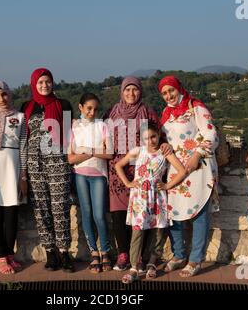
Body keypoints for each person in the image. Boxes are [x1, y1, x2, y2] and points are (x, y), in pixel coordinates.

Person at [103, 76, 171, 271]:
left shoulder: (148, 113)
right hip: (118, 169)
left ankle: (139, 256)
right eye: (127, 90)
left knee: (144, 214)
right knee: (119, 213)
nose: (131, 94)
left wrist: (165, 144)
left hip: (143, 171)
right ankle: (124, 254)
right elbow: (103, 136)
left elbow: (160, 135)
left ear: (141, 91)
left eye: (135, 90)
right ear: (121, 92)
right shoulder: (112, 113)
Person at [159, 75, 219, 277]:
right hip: (175, 170)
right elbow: (162, 138)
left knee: (199, 213)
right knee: (173, 213)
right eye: (164, 93)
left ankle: (195, 259)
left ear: (179, 88)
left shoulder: (196, 107)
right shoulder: (166, 113)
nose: (168, 95)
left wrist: (197, 154)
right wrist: (164, 144)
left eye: (171, 90)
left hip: (198, 167)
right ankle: (178, 255)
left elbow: (211, 134)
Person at [115, 122, 186, 283]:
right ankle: (134, 268)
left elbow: (182, 171)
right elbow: (118, 165)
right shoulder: (137, 151)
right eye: (146, 138)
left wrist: (167, 185)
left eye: (153, 136)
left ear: (158, 134)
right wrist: (128, 182)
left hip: (157, 197)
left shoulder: (164, 152)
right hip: (139, 199)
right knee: (137, 232)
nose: (151, 141)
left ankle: (152, 262)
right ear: (142, 139)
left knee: (158, 231)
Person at [21, 68, 74, 272]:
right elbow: (23, 139)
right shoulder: (26, 107)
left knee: (60, 207)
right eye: (41, 82)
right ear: (34, 84)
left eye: (48, 82)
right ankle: (50, 252)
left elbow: (69, 137)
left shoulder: (64, 105)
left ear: (53, 83)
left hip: (58, 162)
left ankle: (64, 252)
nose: (45, 85)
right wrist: (23, 172)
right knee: (41, 208)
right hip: (35, 164)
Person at [0, 81, 27, 274]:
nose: (1, 99)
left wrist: (23, 175)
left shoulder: (20, 116)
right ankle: (1, 257)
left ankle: (10, 254)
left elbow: (24, 146)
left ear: (10, 94)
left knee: (12, 214)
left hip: (13, 165)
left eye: (4, 95)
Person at [68, 93, 113, 273]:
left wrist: (86, 151)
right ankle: (94, 253)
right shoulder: (73, 127)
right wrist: (95, 151)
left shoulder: (102, 126)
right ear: (80, 107)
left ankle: (106, 252)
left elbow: (109, 153)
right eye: (88, 108)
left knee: (99, 215)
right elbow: (70, 158)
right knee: (86, 214)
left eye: (95, 109)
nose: (92, 112)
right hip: (80, 175)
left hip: (98, 175)